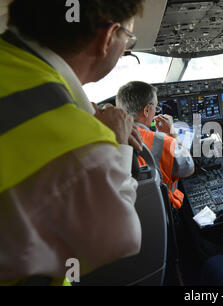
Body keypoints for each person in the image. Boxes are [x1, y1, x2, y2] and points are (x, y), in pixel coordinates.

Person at [0, 0, 145, 285]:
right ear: (107, 37)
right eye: (127, 38)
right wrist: (116, 143)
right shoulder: (85, 143)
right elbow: (121, 238)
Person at [116, 81, 195, 209]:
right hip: (163, 208)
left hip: (128, 208)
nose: (155, 112)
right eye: (156, 108)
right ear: (147, 110)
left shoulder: (107, 139)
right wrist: (172, 134)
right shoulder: (163, 141)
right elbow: (189, 169)